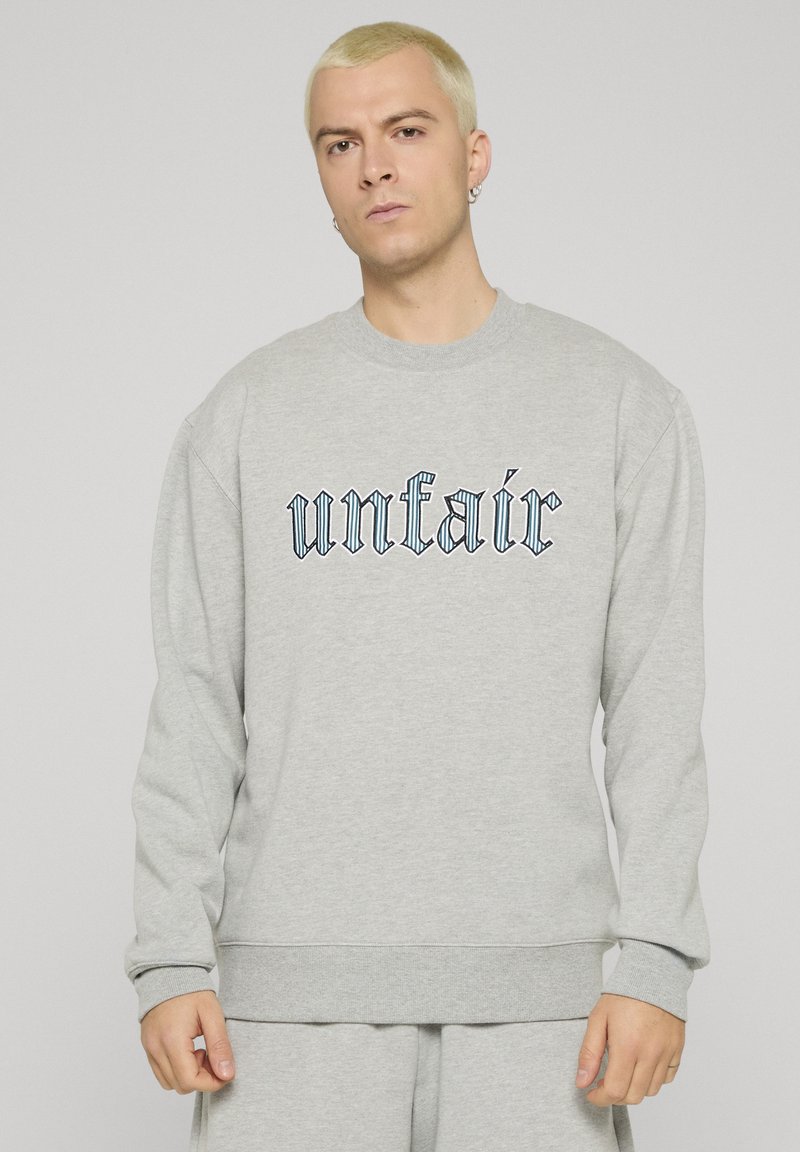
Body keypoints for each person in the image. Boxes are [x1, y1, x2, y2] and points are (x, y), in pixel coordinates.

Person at [123, 20, 710, 1151]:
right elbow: (193, 703)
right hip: (283, 1017)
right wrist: (168, 957)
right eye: (339, 144)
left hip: (547, 1019)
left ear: (474, 154)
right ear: (320, 177)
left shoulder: (619, 406)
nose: (373, 167)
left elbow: (656, 703)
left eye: (405, 130)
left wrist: (653, 957)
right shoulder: (243, 417)